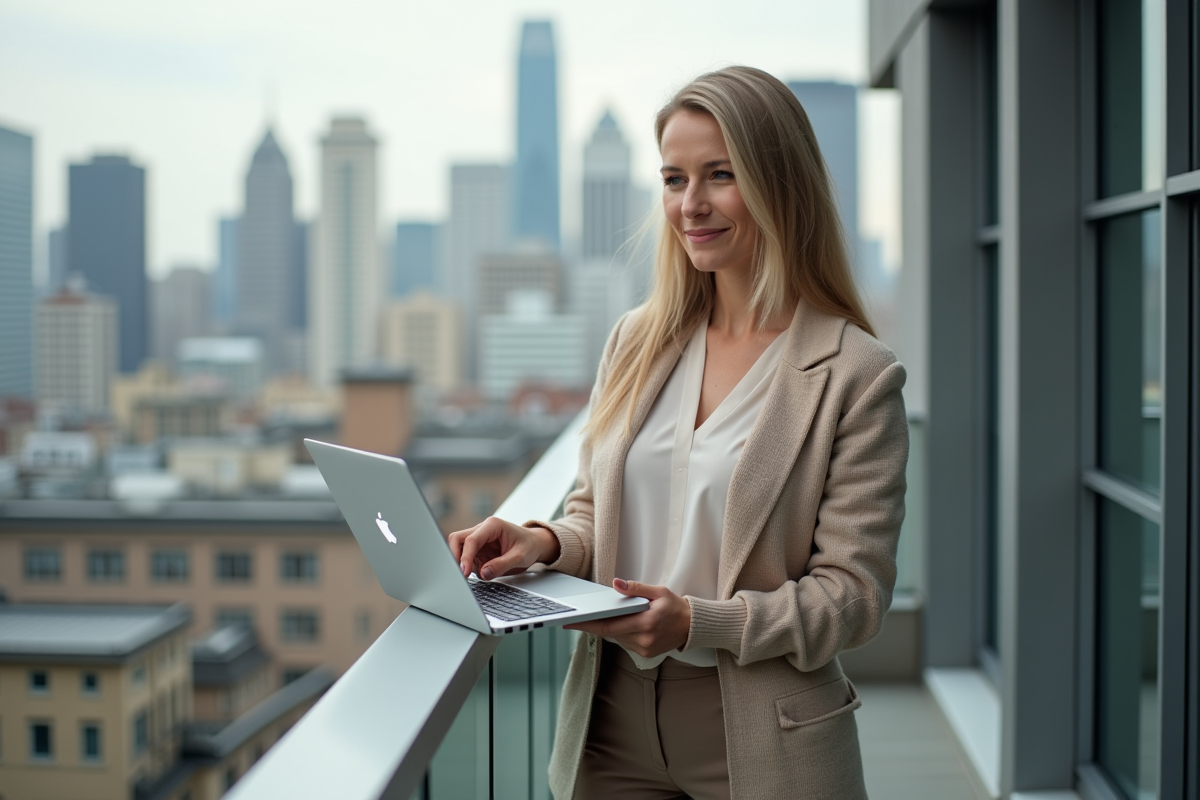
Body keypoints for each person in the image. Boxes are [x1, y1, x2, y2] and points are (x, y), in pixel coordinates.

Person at [449, 65, 908, 800]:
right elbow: (598, 512)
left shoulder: (856, 374)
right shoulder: (638, 340)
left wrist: (699, 622)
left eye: (719, 176)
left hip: (763, 730)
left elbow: (851, 599)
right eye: (673, 179)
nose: (690, 205)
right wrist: (544, 543)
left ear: (777, 184)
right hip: (610, 717)